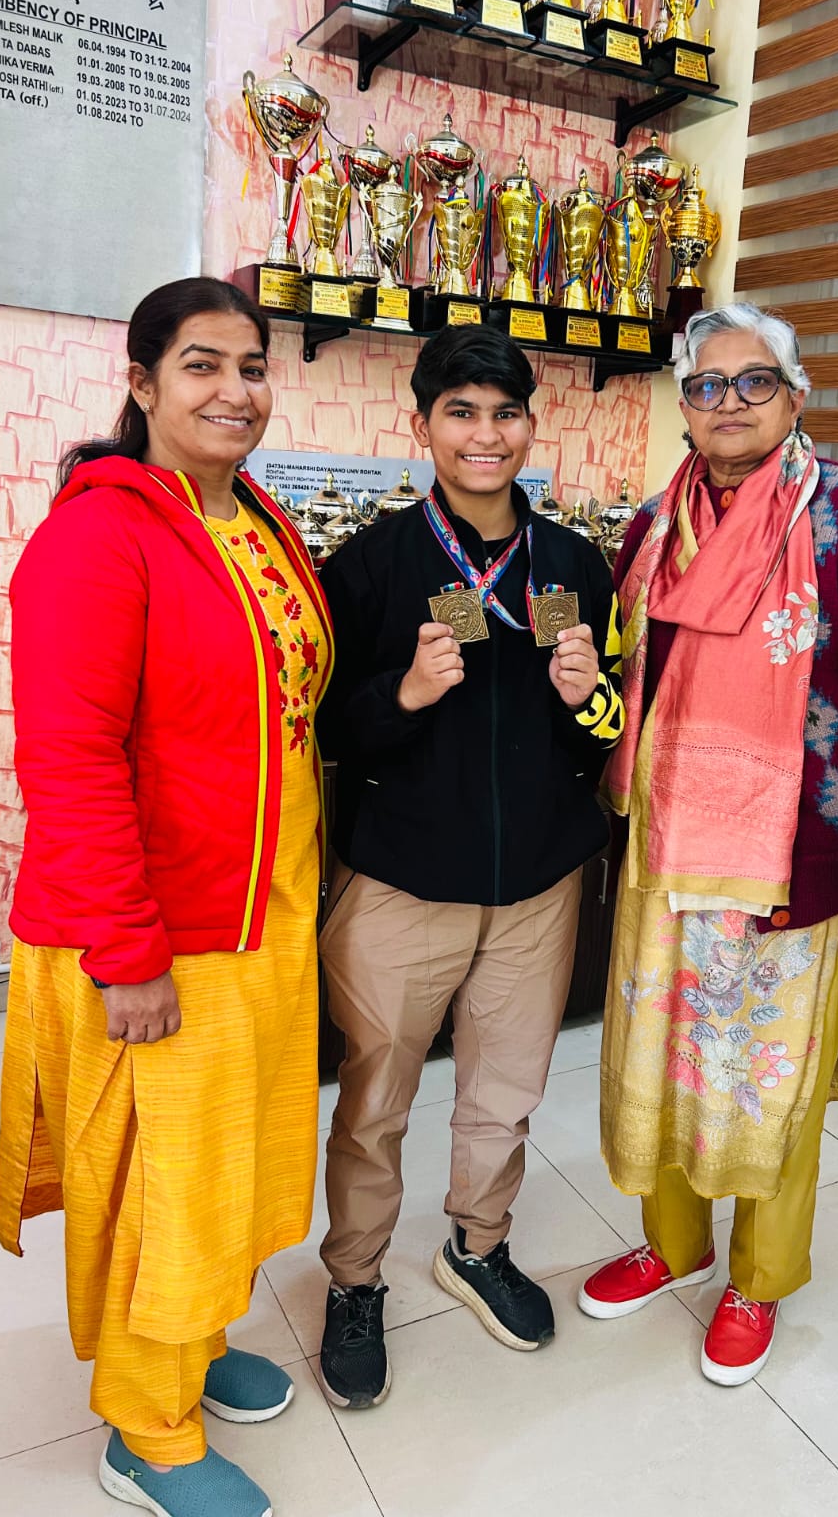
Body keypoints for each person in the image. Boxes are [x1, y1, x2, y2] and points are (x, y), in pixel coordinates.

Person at [0, 277, 333, 1517]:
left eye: (252, 366)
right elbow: (71, 758)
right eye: (202, 365)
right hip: (161, 928)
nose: (235, 391)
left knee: (223, 1169)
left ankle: (193, 1341)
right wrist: (128, 951)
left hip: (261, 910)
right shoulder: (101, 534)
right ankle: (147, 1431)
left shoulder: (255, 517)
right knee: (165, 1187)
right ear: (141, 383)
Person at [578, 303, 838, 1385]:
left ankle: (759, 1278)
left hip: (789, 857)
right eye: (705, 383)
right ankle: (674, 1245)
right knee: (661, 1057)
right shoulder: (657, 524)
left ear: (797, 394)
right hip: (663, 854)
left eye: (754, 381)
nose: (727, 402)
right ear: (684, 403)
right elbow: (628, 679)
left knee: (765, 1076)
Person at [315, 325, 623, 1407]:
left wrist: (587, 694)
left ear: (529, 426)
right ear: (424, 426)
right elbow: (324, 730)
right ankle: (355, 1280)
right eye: (461, 412)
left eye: (505, 413)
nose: (485, 435)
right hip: (400, 883)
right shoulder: (370, 565)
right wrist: (402, 695)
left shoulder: (574, 564)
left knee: (505, 1092)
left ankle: (477, 1245)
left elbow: (606, 730)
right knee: (374, 1101)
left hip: (538, 884)